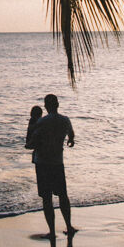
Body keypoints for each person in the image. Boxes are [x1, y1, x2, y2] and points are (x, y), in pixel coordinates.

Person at [26, 94, 76, 239]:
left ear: (46, 106)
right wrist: (69, 141)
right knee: (63, 195)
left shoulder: (41, 122)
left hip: (43, 164)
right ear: (58, 104)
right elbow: (71, 137)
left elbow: (31, 143)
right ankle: (69, 226)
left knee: (47, 198)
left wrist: (31, 126)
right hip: (57, 163)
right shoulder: (65, 120)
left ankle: (52, 232)